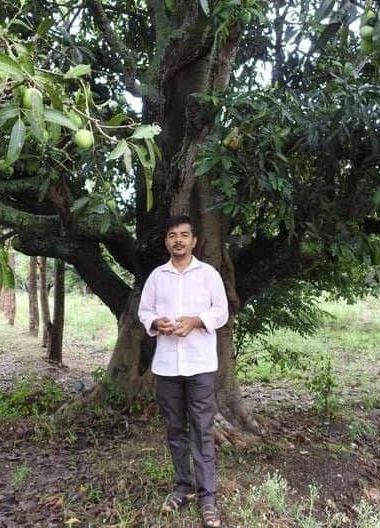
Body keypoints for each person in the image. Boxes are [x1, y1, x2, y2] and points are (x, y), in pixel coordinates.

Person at [138, 215, 229, 528]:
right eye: (172, 235)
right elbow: (144, 311)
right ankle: (183, 486)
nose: (178, 240)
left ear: (194, 240)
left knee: (202, 431)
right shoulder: (156, 277)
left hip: (200, 365)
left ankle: (208, 498)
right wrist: (155, 323)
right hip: (166, 366)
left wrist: (196, 321)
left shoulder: (208, 274)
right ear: (167, 241)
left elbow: (221, 310)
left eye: (184, 235)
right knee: (175, 429)